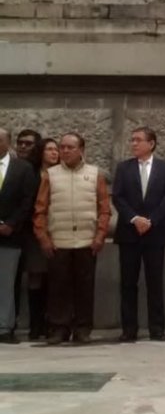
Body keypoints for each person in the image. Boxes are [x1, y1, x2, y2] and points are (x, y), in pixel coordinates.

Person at [33, 132, 111, 345]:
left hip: (87, 241)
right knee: (58, 287)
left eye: (70, 147)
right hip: (59, 241)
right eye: (62, 147)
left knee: (84, 287)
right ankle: (59, 328)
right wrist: (44, 238)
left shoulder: (95, 174)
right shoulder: (50, 175)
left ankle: (83, 329)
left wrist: (100, 235)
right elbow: (40, 210)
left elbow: (104, 209)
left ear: (81, 150)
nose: (64, 151)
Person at [112, 126, 165, 342]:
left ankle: (157, 328)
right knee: (128, 283)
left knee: (154, 282)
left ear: (151, 144)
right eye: (132, 140)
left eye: (138, 140)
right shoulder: (124, 168)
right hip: (129, 233)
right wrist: (134, 218)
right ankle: (129, 329)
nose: (134, 144)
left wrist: (152, 220)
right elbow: (118, 197)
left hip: (155, 233)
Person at [0, 129, 37, 345]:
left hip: (10, 235)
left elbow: (27, 200)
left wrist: (11, 224)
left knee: (6, 283)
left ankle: (4, 327)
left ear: (8, 143)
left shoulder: (23, 169)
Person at [13, 129, 48, 341]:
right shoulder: (13, 169)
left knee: (39, 278)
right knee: (12, 281)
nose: (24, 147)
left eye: (29, 144)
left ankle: (39, 324)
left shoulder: (40, 172)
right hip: (14, 233)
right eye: (20, 143)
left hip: (35, 233)